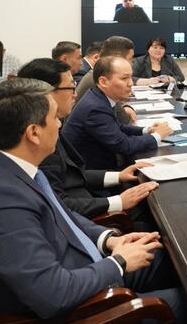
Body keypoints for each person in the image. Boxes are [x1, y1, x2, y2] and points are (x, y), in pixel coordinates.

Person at [0, 79, 187, 320]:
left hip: (90, 264)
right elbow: (54, 294)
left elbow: (62, 215)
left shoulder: (12, 165)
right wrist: (119, 263)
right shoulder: (2, 200)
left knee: (180, 260)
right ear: (34, 133)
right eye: (54, 118)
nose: (60, 124)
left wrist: (108, 240)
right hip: (81, 305)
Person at [18, 59, 158, 224]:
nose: (75, 94)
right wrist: (118, 201)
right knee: (154, 217)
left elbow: (75, 174)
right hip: (88, 215)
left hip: (89, 195)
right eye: (71, 87)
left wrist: (119, 176)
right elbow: (58, 205)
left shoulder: (53, 125)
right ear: (45, 93)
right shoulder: (38, 141)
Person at [63, 56, 173, 171]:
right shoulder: (95, 108)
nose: (131, 83)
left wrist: (147, 130)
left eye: (130, 77)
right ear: (103, 81)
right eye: (124, 78)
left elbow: (116, 126)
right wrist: (157, 136)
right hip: (92, 173)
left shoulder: (98, 96)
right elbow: (124, 146)